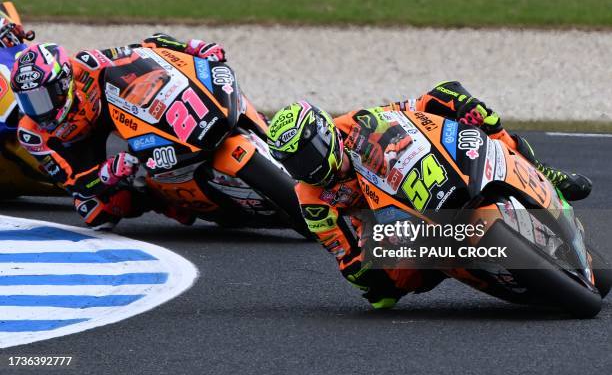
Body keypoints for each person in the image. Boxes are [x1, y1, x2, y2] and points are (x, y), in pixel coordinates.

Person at [265, 82, 592, 309]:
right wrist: (366, 275)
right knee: (388, 290)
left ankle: (543, 171)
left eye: (309, 156)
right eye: (295, 165)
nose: (308, 169)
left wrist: (458, 104)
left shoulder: (357, 123)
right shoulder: (311, 201)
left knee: (478, 115)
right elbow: (345, 255)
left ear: (325, 134)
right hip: (383, 220)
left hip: (416, 177)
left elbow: (415, 110)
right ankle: (450, 263)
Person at [9, 34, 225, 229]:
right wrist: (107, 173)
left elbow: (145, 48)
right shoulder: (31, 134)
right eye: (28, 100)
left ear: (64, 82)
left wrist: (190, 48)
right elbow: (74, 184)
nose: (38, 110)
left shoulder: (88, 63)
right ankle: (160, 199)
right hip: (80, 145)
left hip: (111, 111)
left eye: (42, 97)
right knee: (94, 212)